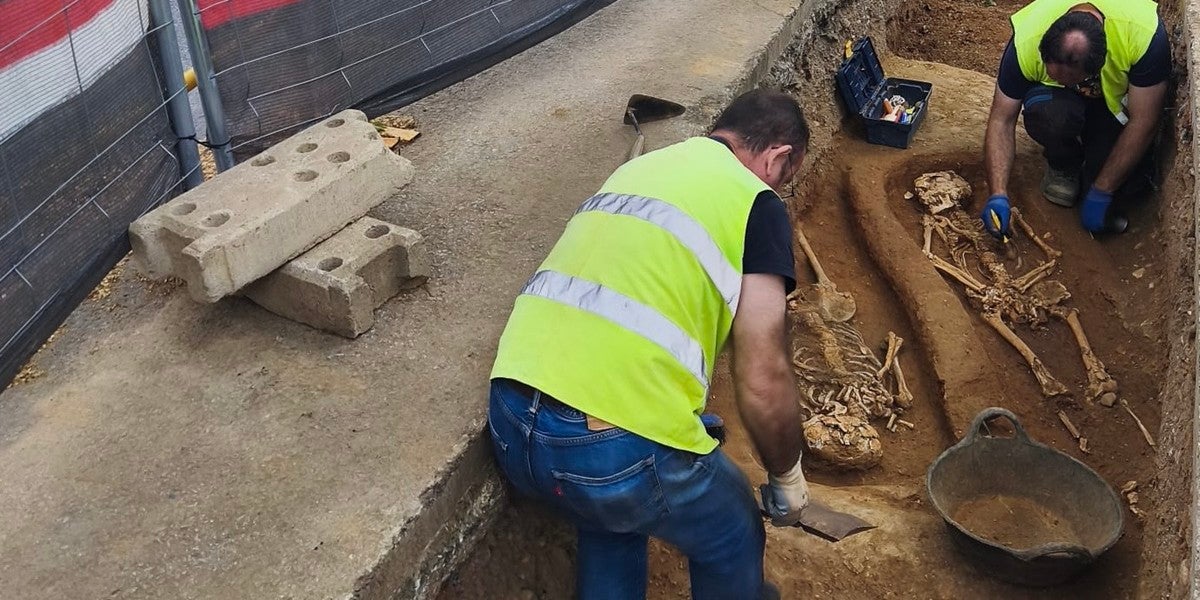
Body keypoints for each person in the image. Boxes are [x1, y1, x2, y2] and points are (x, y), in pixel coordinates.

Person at [486, 89, 811, 599]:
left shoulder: (637, 171)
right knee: (732, 528)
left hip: (509, 420)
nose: (779, 190)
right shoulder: (755, 202)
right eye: (784, 180)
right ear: (778, 157)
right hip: (608, 453)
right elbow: (763, 376)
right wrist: (786, 475)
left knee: (610, 522)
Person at [982, 0, 1170, 236]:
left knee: (1131, 185)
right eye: (1055, 75)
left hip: (1109, 106)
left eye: (1070, 80)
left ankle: (1095, 162)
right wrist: (998, 193)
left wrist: (1102, 190)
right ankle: (1063, 163)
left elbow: (1144, 121)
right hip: (1059, 105)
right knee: (1050, 116)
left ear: (1098, 65)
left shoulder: (1144, 36)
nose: (1063, 83)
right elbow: (1002, 119)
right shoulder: (1027, 40)